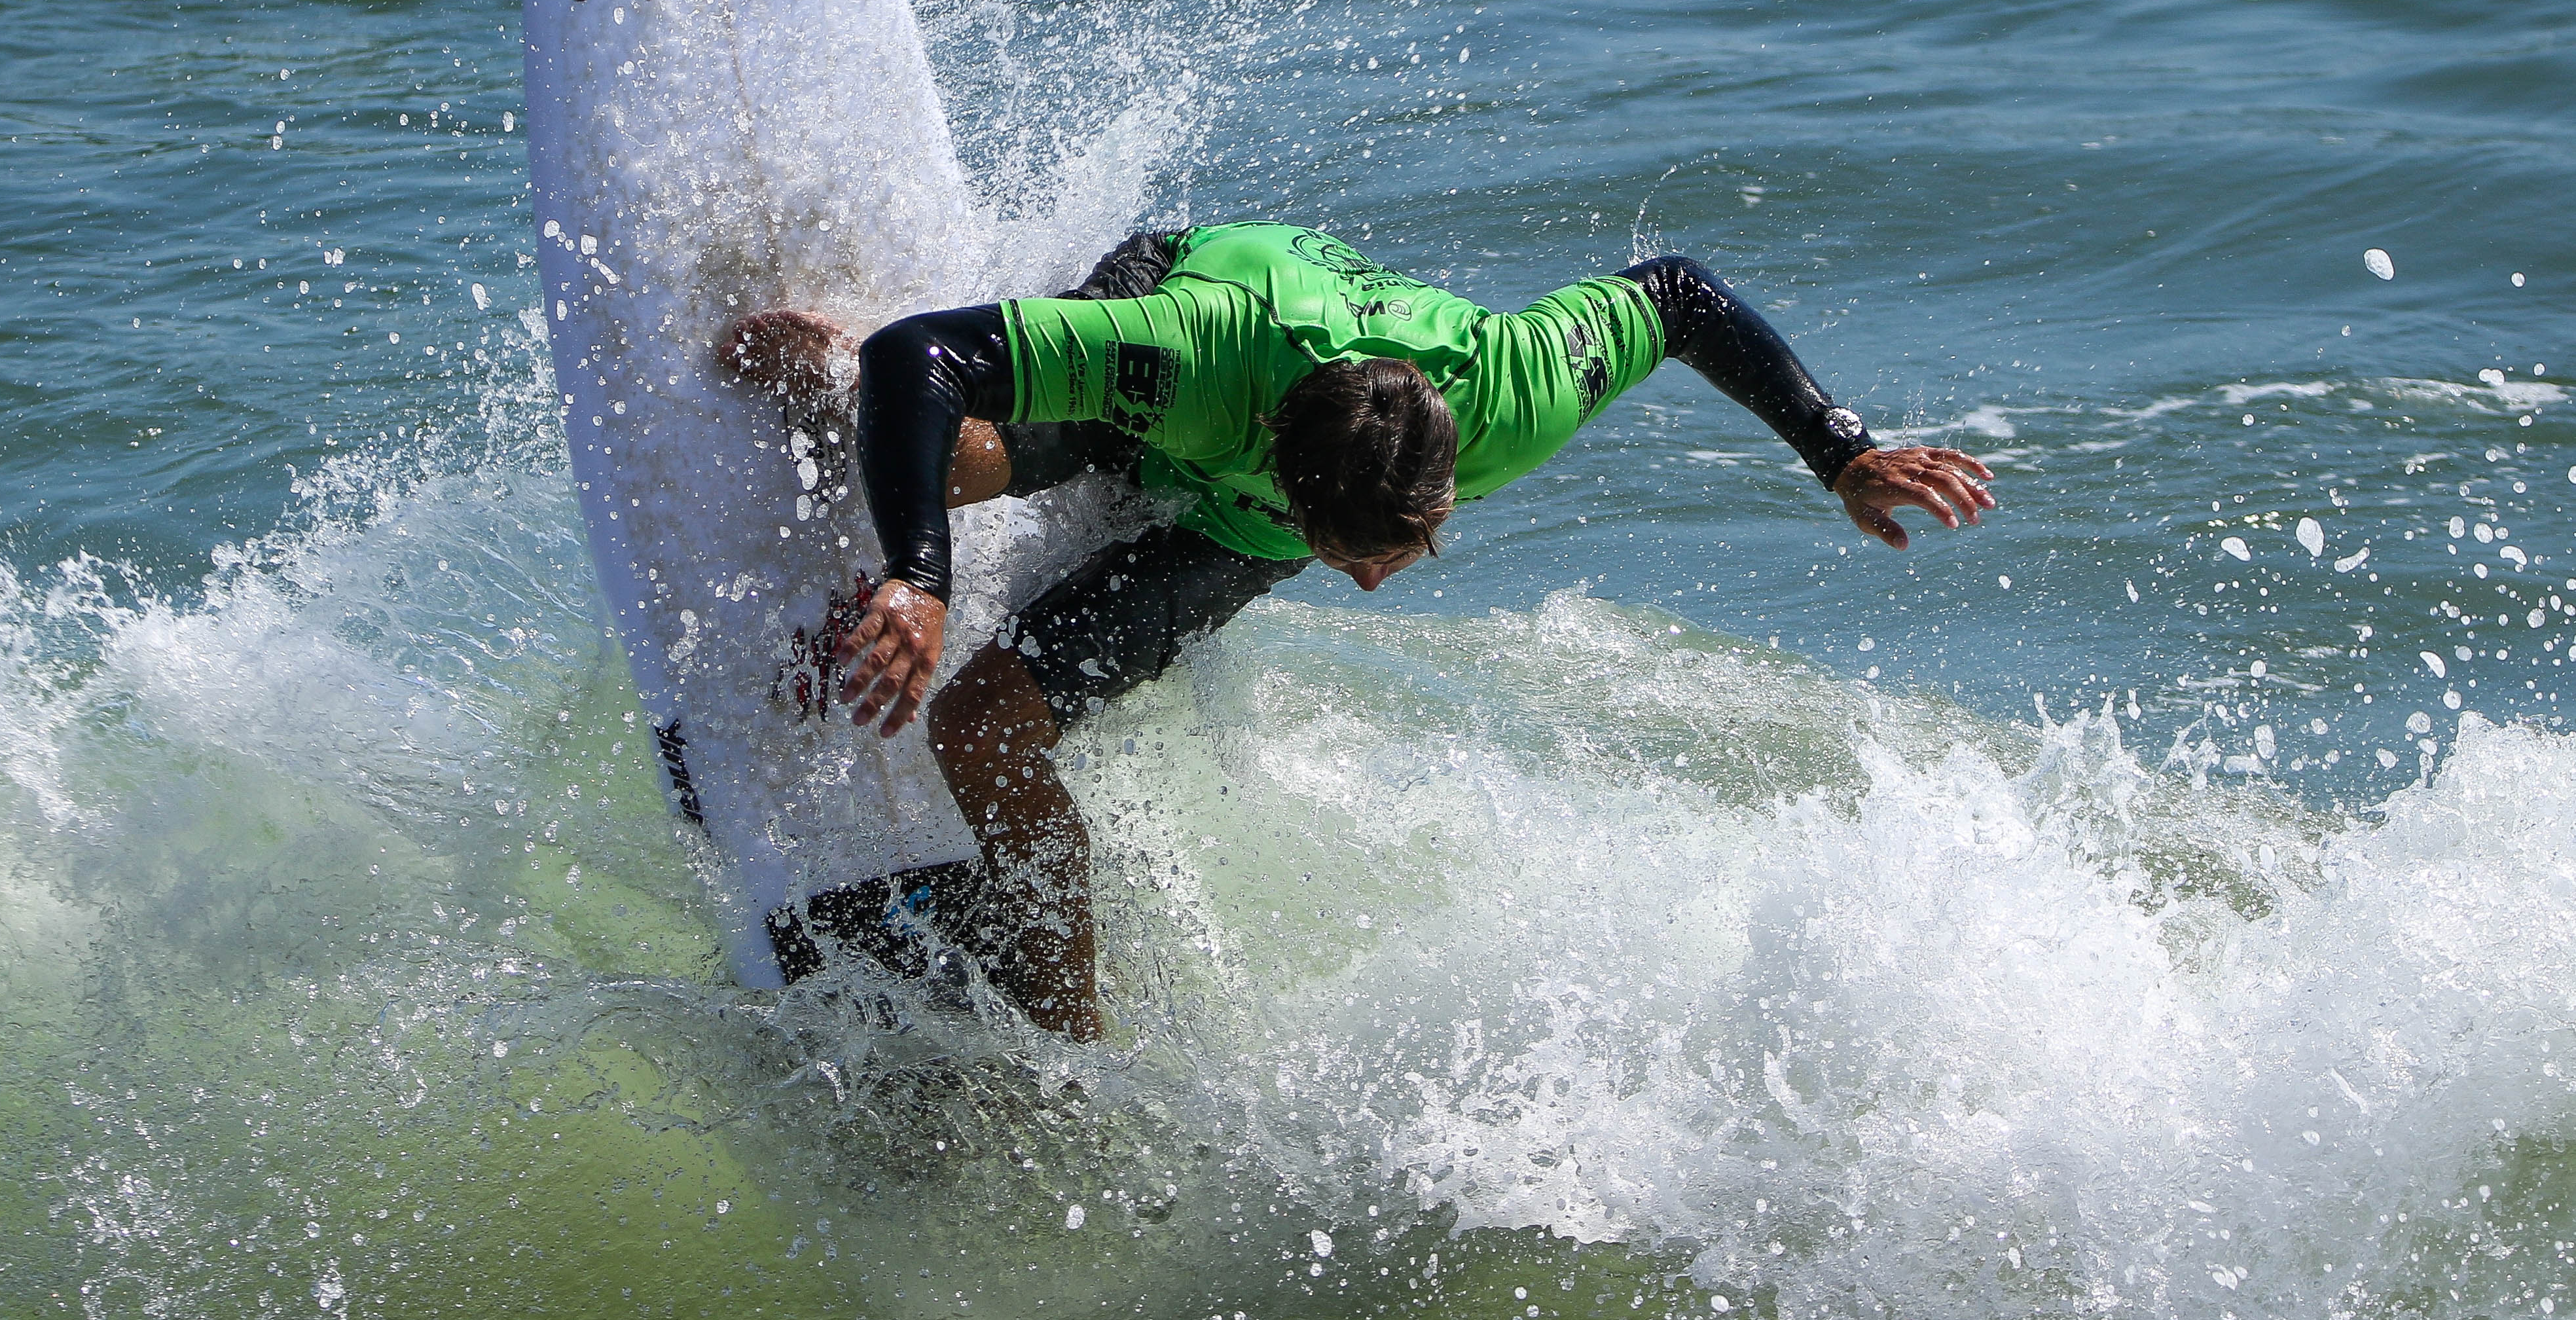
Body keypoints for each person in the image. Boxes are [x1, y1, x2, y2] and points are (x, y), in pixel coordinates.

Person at [719, 223, 1995, 1038]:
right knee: (951, 462)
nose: (1376, 586)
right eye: (1357, 558)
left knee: (984, 725)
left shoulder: (1512, 386)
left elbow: (1675, 294)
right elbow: (922, 358)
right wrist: (920, 578)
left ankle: (1068, 1048)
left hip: (1250, 516)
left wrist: (1840, 452)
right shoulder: (1188, 353)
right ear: (1291, 484)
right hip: (1191, 369)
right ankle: (823, 401)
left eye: (1404, 550)